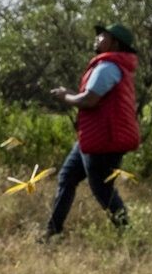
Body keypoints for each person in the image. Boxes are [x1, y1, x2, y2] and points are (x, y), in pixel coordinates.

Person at [46, 23, 140, 238]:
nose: (97, 38)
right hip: (92, 138)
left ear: (115, 43)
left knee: (102, 190)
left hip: (104, 141)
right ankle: (52, 232)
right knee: (67, 177)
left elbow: (89, 100)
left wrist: (65, 97)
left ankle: (129, 237)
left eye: (102, 36)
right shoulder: (113, 65)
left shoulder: (108, 67)